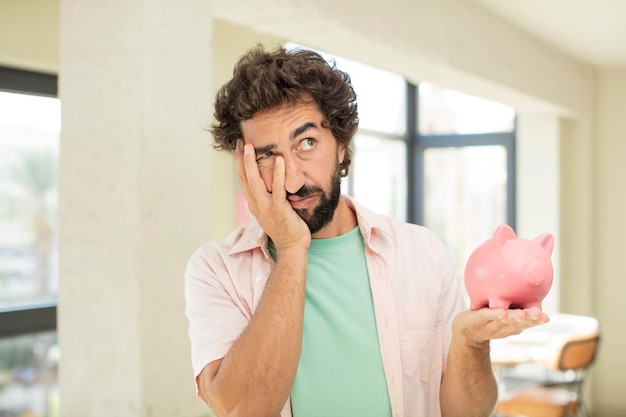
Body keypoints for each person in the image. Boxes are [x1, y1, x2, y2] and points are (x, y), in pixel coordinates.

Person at [184, 45, 549, 417]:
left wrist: (470, 344)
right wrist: (293, 247)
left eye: (307, 143)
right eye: (267, 155)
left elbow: (466, 413)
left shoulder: (422, 252)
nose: (292, 179)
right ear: (244, 166)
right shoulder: (216, 270)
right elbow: (245, 409)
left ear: (341, 145)